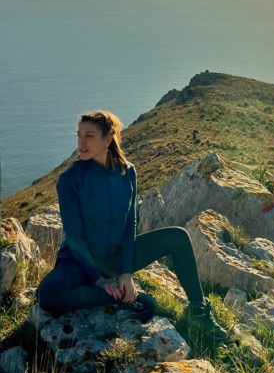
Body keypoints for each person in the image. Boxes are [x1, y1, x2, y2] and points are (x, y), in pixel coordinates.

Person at [36, 110, 226, 338]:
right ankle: (125, 299)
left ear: (108, 139)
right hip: (79, 262)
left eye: (89, 136)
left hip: (117, 258)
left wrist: (126, 272)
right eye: (79, 135)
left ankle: (198, 311)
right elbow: (74, 236)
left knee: (178, 236)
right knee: (47, 294)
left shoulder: (127, 172)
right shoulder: (69, 180)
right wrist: (99, 280)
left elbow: (130, 224)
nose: (81, 142)